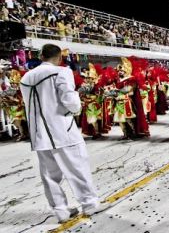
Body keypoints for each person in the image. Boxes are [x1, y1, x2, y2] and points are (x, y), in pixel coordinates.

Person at [20, 44, 105, 223]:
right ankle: (89, 204)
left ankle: (61, 211)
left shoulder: (26, 77)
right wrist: (76, 102)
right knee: (77, 168)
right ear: (59, 58)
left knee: (50, 176)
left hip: (39, 134)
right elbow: (71, 103)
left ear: (41, 56)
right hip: (62, 130)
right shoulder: (61, 72)